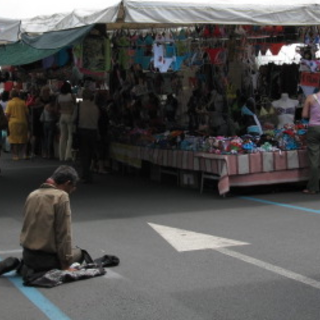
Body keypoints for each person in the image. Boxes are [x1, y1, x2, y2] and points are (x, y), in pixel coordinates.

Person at [19, 165, 84, 273]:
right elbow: (63, 233)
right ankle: (55, 265)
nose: (72, 191)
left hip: (27, 256)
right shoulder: (61, 196)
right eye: (73, 187)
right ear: (68, 183)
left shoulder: (33, 194)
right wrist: (65, 264)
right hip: (46, 259)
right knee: (80, 253)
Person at [75, 88, 100, 183]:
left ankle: (86, 174)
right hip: (93, 131)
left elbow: (74, 118)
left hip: (82, 131)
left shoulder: (79, 106)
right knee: (90, 153)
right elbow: (98, 119)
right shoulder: (95, 107)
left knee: (83, 153)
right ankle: (86, 172)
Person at [302, 91, 320, 194]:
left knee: (314, 159)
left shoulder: (310, 98)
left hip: (314, 129)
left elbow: (304, 115)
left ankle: (313, 187)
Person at [5, 89, 29, 160]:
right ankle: (25, 154)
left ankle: (16, 155)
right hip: (23, 122)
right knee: (24, 139)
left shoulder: (10, 103)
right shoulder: (23, 102)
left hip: (13, 123)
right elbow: (27, 113)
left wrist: (6, 122)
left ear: (11, 95)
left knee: (14, 140)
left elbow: (7, 114)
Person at [57, 81, 76, 161]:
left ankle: (61, 155)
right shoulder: (71, 96)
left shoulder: (59, 97)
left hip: (62, 116)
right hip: (69, 116)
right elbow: (77, 102)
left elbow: (57, 107)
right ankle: (68, 155)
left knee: (62, 136)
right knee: (70, 136)